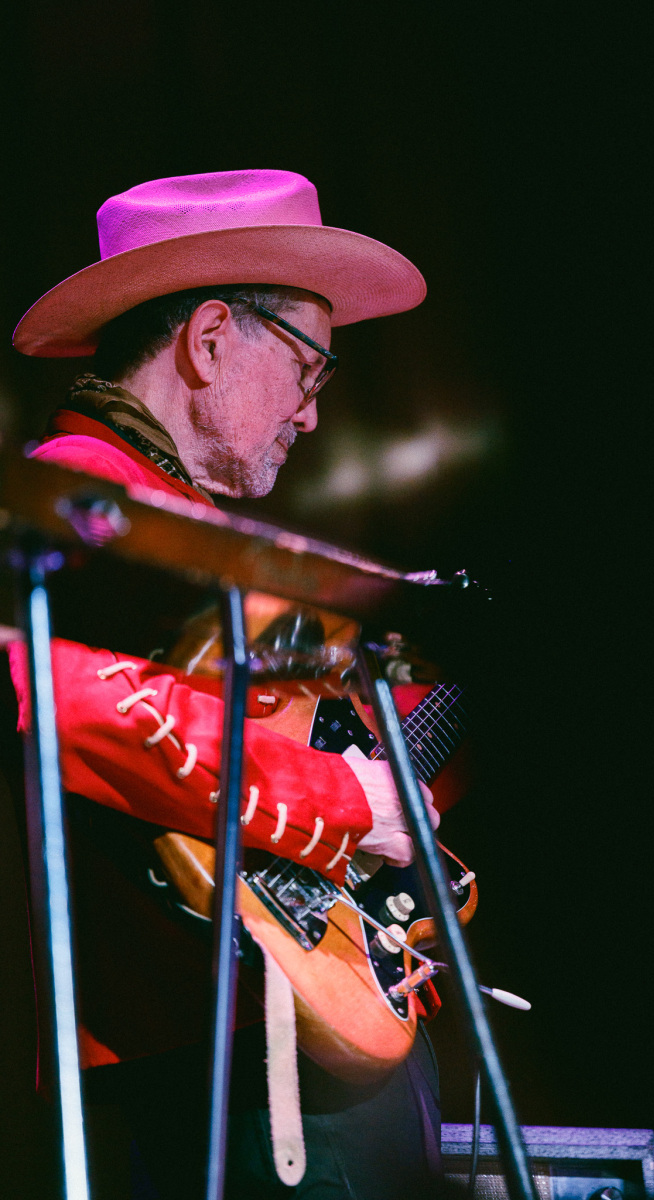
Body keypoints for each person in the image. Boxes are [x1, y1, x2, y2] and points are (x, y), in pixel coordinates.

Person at [7, 169, 456, 1199]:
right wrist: (347, 802)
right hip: (218, 1047)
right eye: (309, 368)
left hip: (267, 1029)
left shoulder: (185, 522)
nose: (311, 414)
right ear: (210, 340)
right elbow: (65, 700)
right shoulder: (83, 494)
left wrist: (395, 787)